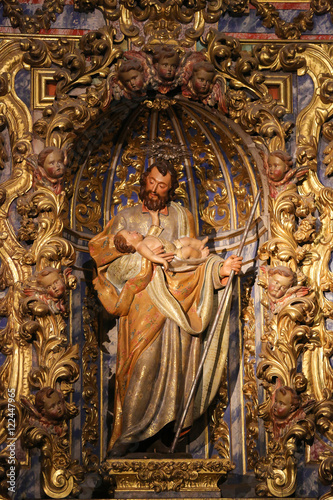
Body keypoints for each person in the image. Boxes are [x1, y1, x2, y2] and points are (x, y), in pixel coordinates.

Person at [89, 161, 242, 456]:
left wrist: (219, 269)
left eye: (162, 186)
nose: (155, 190)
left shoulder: (183, 217)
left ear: (170, 189)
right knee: (142, 366)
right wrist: (133, 244)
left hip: (178, 305)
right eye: (152, 183)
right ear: (143, 181)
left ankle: (172, 436)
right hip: (142, 305)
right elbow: (100, 250)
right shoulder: (127, 216)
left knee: (176, 371)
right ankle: (130, 435)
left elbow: (195, 260)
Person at [114, 225, 209, 271]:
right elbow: (151, 256)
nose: (134, 230)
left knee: (186, 240)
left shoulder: (145, 239)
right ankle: (200, 255)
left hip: (173, 245)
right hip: (174, 256)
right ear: (128, 243)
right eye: (130, 233)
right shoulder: (141, 247)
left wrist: (154, 215)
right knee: (188, 250)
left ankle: (200, 244)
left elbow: (154, 229)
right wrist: (163, 261)